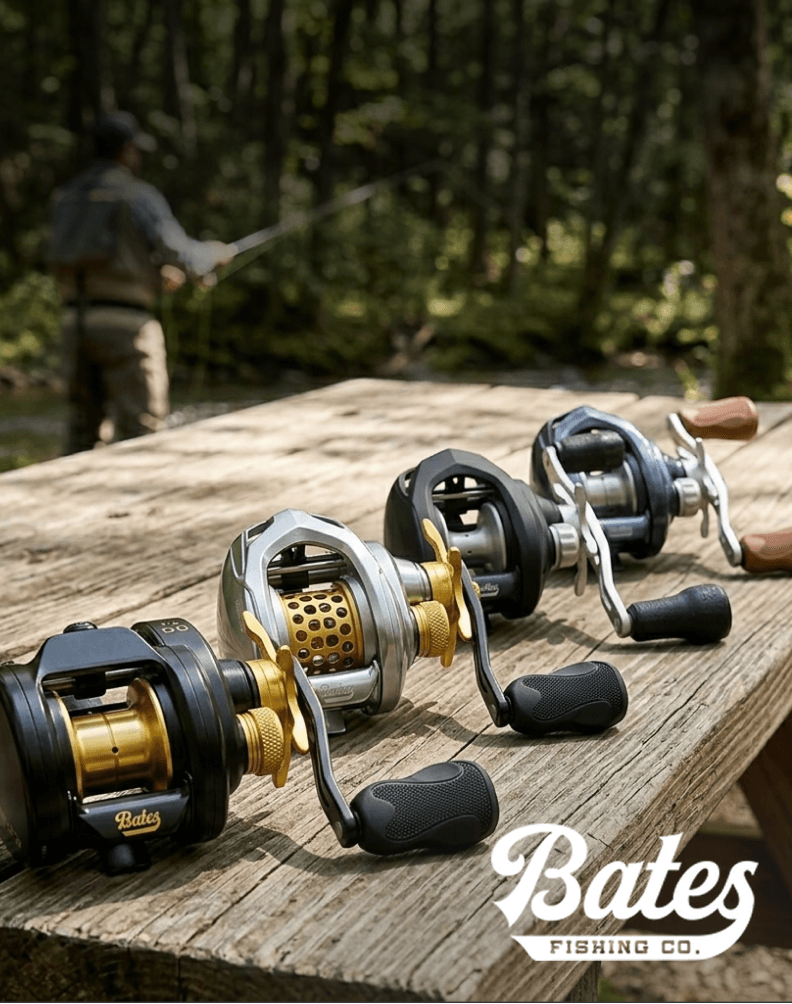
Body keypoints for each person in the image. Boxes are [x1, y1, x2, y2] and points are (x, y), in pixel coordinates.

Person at [49, 111, 235, 454]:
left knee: (81, 434)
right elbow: (186, 256)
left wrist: (153, 272)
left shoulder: (65, 196)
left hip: (73, 324)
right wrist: (215, 253)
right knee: (142, 432)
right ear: (126, 150)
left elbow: (85, 259)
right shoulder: (137, 195)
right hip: (127, 328)